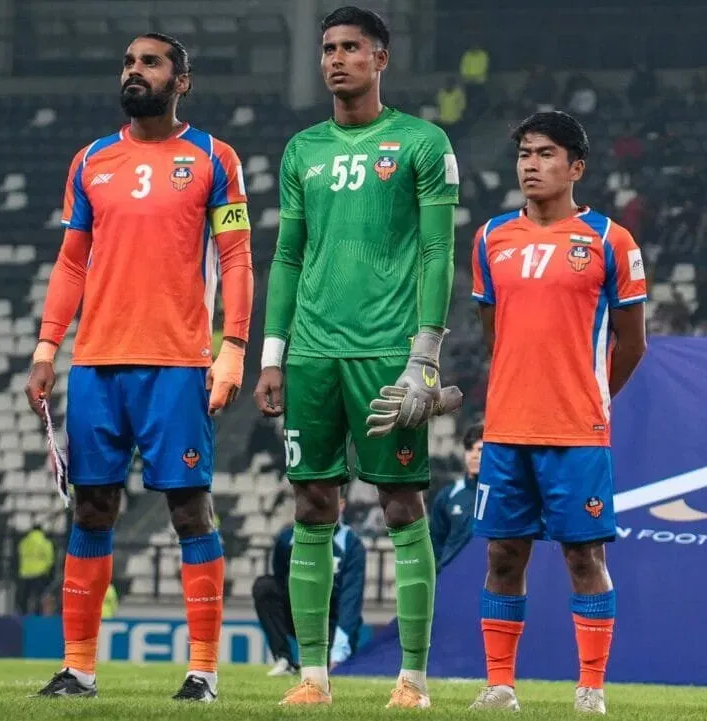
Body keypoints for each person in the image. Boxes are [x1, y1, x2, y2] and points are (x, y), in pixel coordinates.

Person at [23, 33, 253, 702]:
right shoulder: (91, 160)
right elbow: (72, 263)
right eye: (128, 62)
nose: (134, 71)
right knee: (92, 508)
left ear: (182, 81)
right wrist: (46, 348)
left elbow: (237, 257)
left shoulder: (214, 157)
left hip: (177, 364)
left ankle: (203, 673)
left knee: (190, 508)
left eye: (150, 62)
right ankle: (78, 669)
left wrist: (233, 346)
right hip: (96, 363)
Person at [252, 6, 461, 708]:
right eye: (328, 48)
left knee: (401, 504)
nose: (336, 59)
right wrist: (272, 356)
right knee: (313, 502)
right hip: (312, 353)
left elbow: (437, 251)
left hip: (387, 352)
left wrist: (425, 355)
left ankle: (413, 679)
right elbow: (287, 256)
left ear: (381, 58)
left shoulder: (422, 142)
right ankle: (313, 677)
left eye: (350, 48)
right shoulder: (301, 150)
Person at [466, 110, 646, 716]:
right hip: (506, 429)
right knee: (502, 555)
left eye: (545, 154)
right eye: (524, 154)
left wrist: (592, 395)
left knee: (583, 555)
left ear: (576, 167)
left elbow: (633, 342)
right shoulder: (491, 238)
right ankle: (500, 686)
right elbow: (494, 333)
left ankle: (591, 689)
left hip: (577, 432)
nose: (531, 164)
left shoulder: (610, 240)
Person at [254, 497, 366, 676]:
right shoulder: (287, 538)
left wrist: (338, 653)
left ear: (341, 505)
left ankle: (333, 656)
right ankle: (284, 659)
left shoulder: (351, 544)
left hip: (329, 622)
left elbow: (351, 599)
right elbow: (280, 577)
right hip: (299, 613)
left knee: (324, 668)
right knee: (265, 586)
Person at [430, 423, 481, 570]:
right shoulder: (448, 496)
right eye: (469, 449)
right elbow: (435, 541)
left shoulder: (501, 496)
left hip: (490, 577)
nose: (474, 455)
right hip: (452, 575)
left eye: (480, 450)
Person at [16, 524, 56, 615]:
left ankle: (23, 614)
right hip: (40, 573)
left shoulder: (24, 542)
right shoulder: (45, 542)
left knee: (25, 596)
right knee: (39, 596)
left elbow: (20, 555)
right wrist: (47, 570)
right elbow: (50, 558)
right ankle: (37, 614)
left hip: (25, 573)